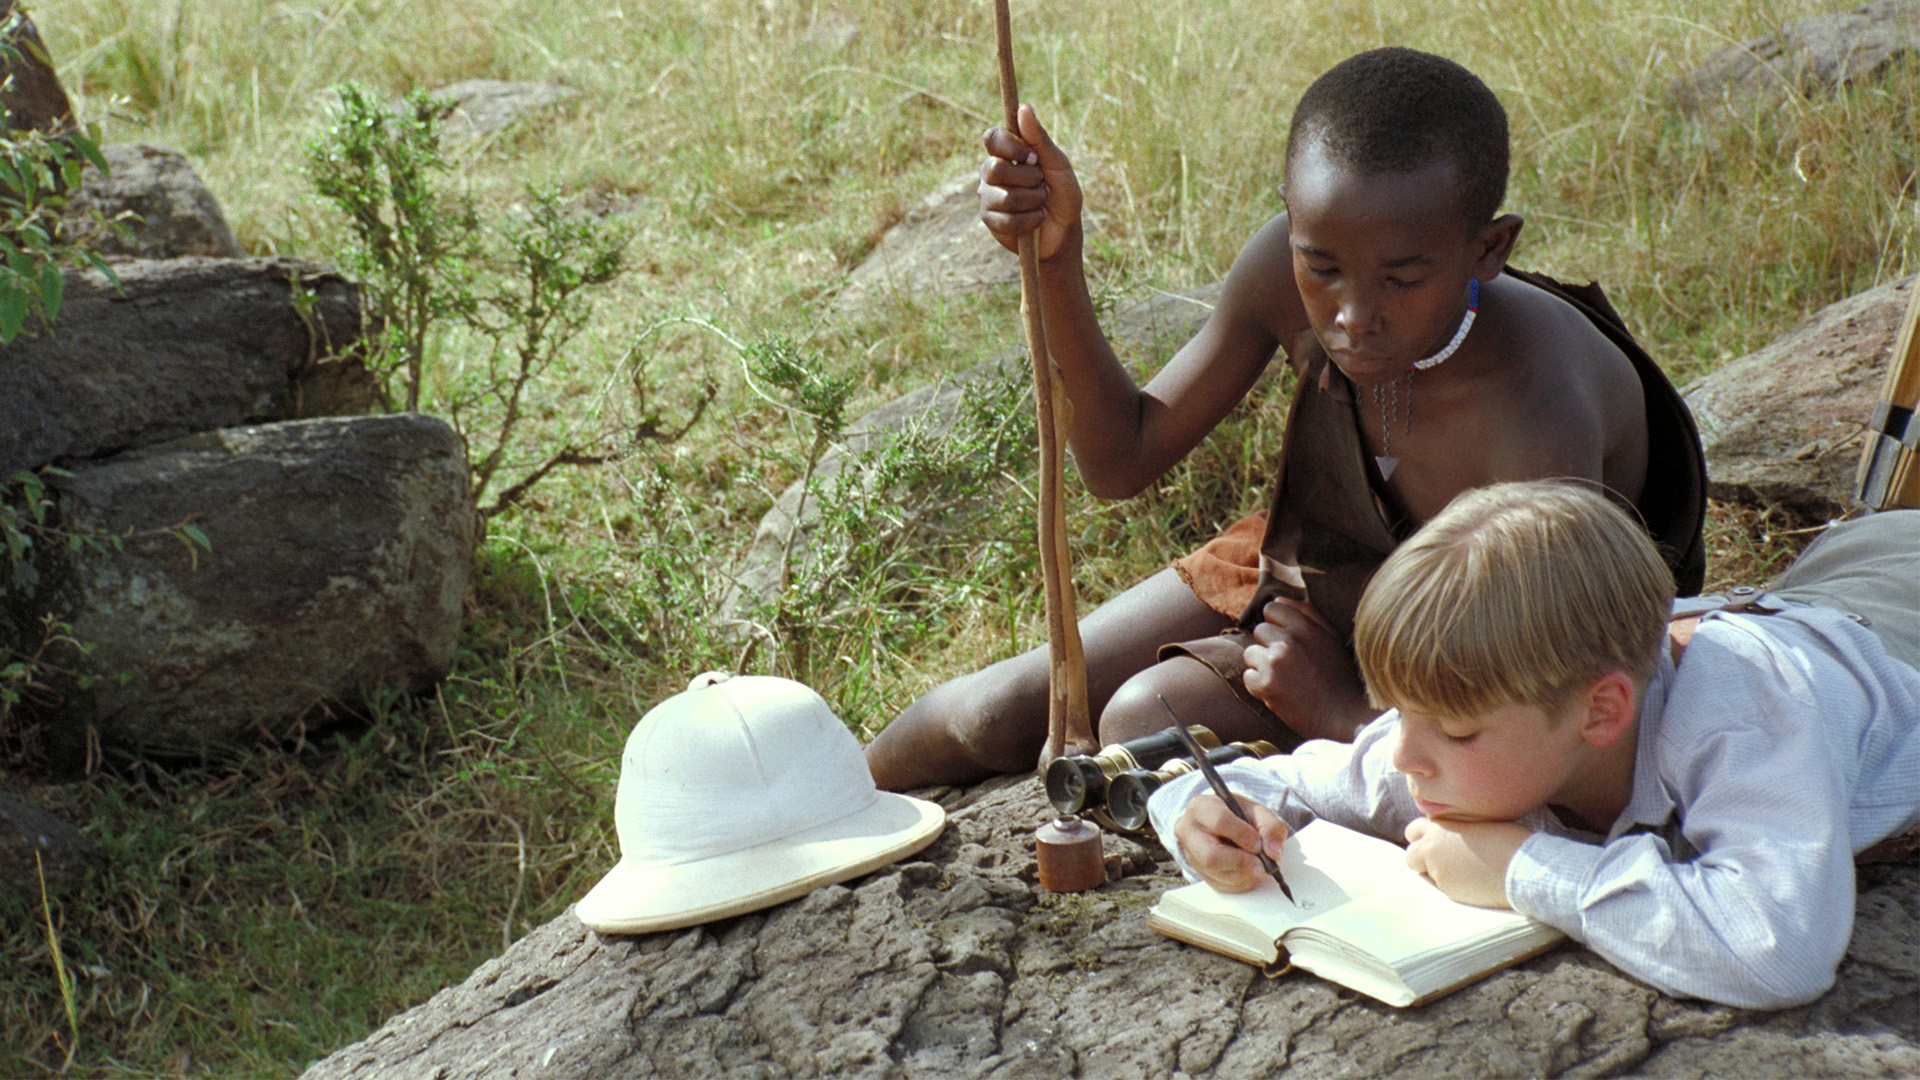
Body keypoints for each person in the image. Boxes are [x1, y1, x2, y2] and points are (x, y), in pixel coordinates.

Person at [864, 47, 1706, 793]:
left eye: (1402, 281)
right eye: (1322, 266)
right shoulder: (1282, 266)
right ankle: (806, 820)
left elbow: (1539, 696)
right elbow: (1119, 460)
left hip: (1497, 639)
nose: (1350, 317)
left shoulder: (1536, 402)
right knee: (1000, 710)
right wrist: (1057, 258)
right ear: (1292, 225)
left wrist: (1344, 710)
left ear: (1490, 249)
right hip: (1326, 561)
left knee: (1141, 722)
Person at [1153, 480, 1920, 1009]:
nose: (1400, 757)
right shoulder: (1462, 731)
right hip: (1810, 587)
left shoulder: (1746, 719)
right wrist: (1203, 817)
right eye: (1398, 713)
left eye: (1453, 731)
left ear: (1601, 713)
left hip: (1893, 612)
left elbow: (1778, 950)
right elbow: (1243, 785)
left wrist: (1525, 866)